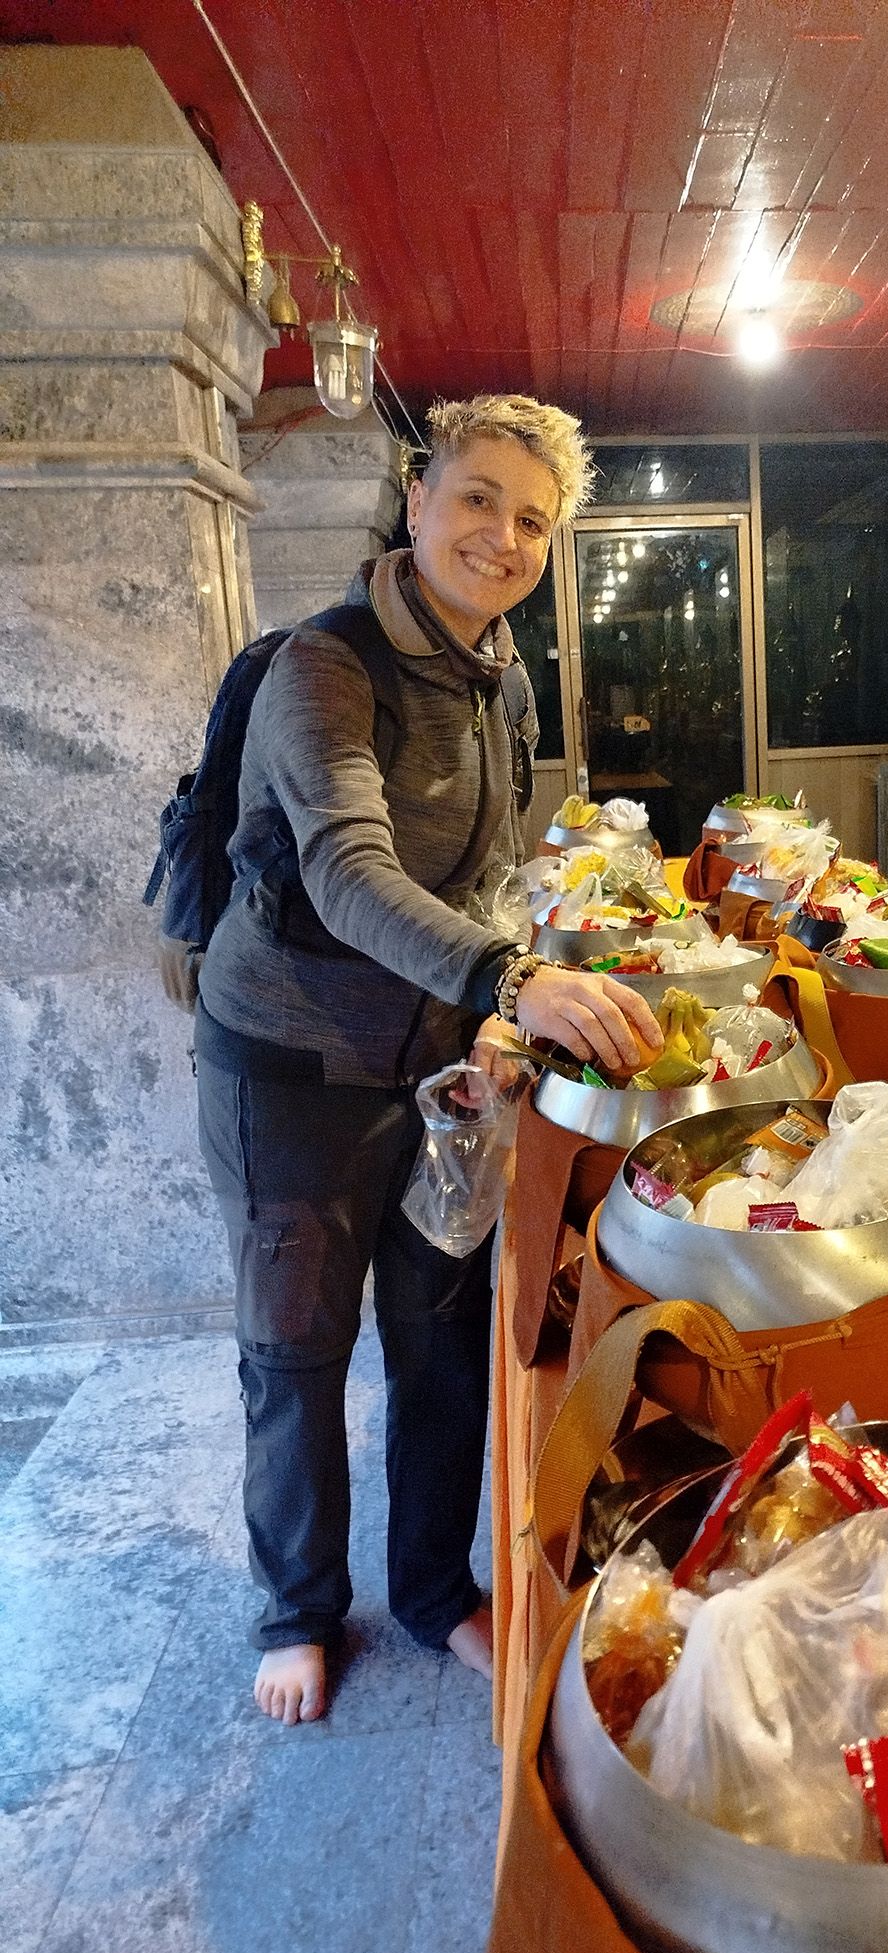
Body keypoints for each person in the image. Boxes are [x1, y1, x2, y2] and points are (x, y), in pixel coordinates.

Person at [192, 393, 661, 1725]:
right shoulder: (323, 669)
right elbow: (348, 872)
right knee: (296, 1351)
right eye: (479, 500)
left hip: (431, 1081)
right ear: (419, 500)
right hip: (283, 1078)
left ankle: (431, 1591)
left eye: (532, 520)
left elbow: (493, 866)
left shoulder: (498, 677)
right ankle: (296, 1612)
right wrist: (513, 976)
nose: (502, 537)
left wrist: (502, 992)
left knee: (442, 1345)